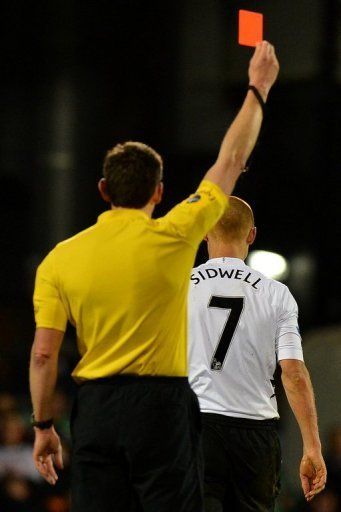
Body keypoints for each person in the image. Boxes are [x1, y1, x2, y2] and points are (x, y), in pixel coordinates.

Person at [29, 42, 279, 512]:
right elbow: (228, 163)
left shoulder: (59, 259)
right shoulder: (175, 234)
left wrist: (43, 428)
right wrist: (258, 88)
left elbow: (43, 354)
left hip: (97, 406)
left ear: (103, 190)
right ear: (160, 192)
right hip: (161, 408)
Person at [188, 197, 327, 512]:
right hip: (255, 432)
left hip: (198, 425)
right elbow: (292, 374)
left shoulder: (182, 286)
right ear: (251, 235)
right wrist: (312, 447)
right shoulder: (276, 294)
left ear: (206, 232)